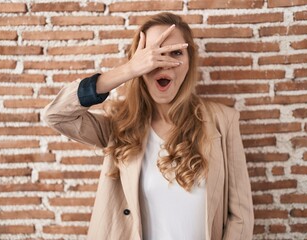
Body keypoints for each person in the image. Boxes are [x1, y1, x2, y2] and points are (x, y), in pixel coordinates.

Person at [43, 12, 254, 240]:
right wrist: (129, 70)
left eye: (175, 53)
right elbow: (56, 115)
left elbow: (240, 215)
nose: (162, 63)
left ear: (190, 59)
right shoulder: (118, 125)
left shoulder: (224, 121)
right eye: (152, 53)